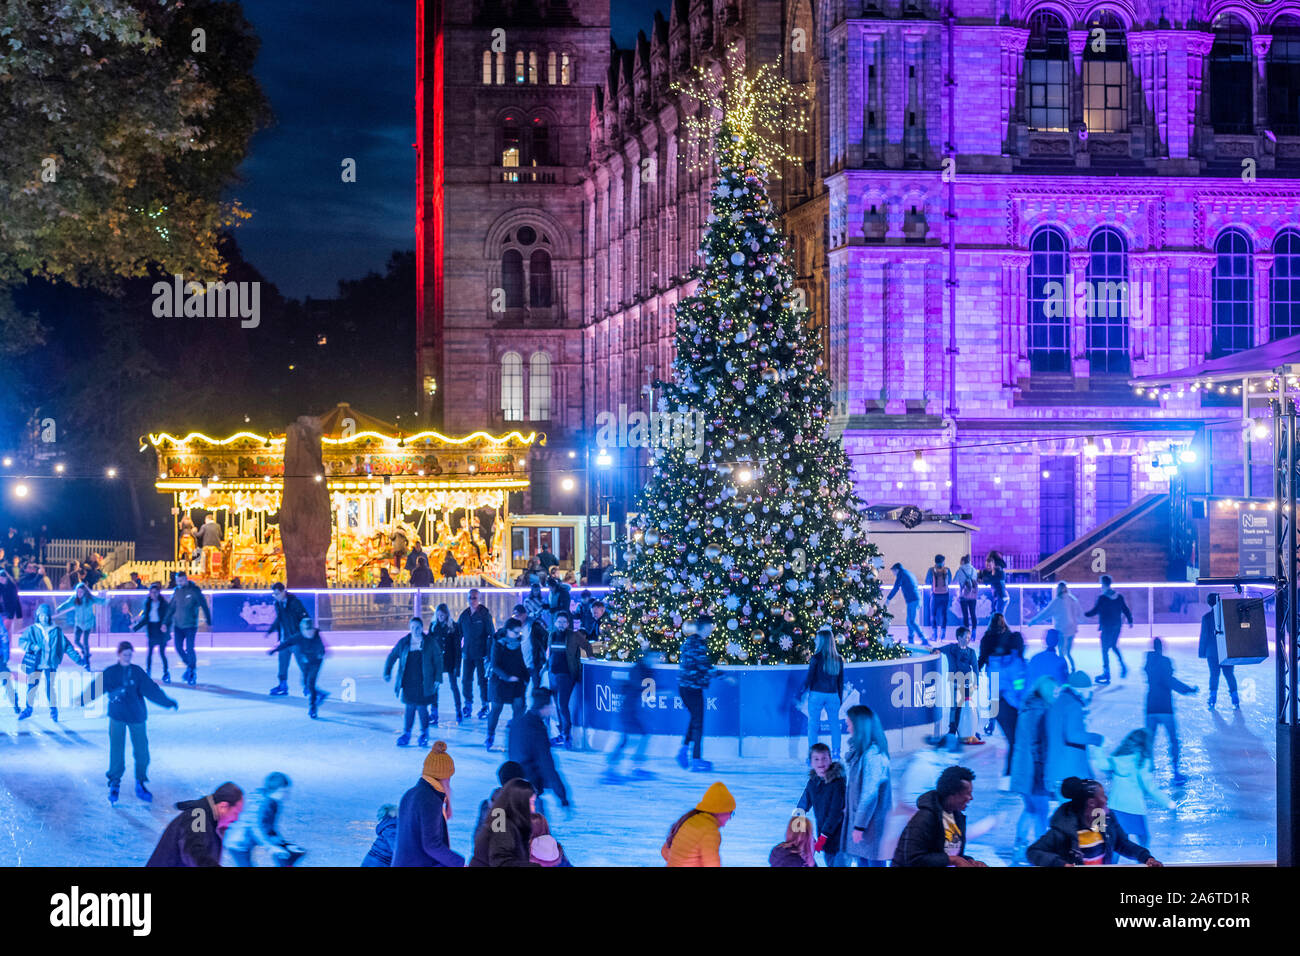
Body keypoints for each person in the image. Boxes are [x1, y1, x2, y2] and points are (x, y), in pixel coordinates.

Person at [97, 641, 178, 804]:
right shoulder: (111, 672)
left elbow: (151, 690)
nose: (127, 657)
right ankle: (114, 782)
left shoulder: (137, 672)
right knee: (116, 750)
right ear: (119, 654)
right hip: (117, 716)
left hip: (136, 716)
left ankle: (140, 781)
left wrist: (167, 702)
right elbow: (96, 687)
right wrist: (81, 699)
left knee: (142, 751)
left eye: (129, 655)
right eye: (125, 654)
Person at [1027, 776, 1162, 867]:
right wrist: (1061, 864)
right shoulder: (1064, 828)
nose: (1106, 798)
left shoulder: (1101, 819)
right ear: (1091, 803)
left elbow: (1122, 843)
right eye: (1102, 795)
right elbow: (1033, 851)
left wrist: (1146, 858)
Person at [892, 764, 986, 867]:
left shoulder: (957, 817)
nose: (970, 798)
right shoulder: (924, 818)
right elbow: (914, 859)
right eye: (967, 793)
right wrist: (955, 860)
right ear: (952, 794)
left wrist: (970, 861)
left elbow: (948, 854)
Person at [392, 741, 464, 867]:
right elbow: (432, 845)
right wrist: (459, 863)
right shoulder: (430, 801)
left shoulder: (411, 794)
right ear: (444, 776)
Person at [1009, 675, 1056, 863]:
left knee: (1030, 809)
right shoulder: (1040, 712)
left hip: (1021, 769)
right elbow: (1039, 745)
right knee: (1041, 811)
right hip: (1034, 771)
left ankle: (1018, 848)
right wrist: (1046, 769)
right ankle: (1040, 851)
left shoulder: (1026, 708)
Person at [146, 782, 244, 867]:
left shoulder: (212, 819)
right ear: (223, 806)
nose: (236, 819)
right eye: (235, 813)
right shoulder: (198, 816)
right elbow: (193, 850)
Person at [1105, 729, 1174, 848]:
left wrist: (1098, 748)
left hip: (1114, 806)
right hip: (1133, 808)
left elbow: (1101, 764)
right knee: (1144, 840)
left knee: (1117, 842)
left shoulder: (1116, 758)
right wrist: (1168, 802)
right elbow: (1150, 787)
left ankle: (1109, 865)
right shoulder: (1141, 763)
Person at [18, 603, 87, 721]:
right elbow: (21, 641)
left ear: (49, 617)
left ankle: (53, 710)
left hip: (50, 663)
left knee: (50, 687)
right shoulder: (32, 629)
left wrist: (79, 660)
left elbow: (68, 647)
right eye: (41, 615)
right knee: (32, 686)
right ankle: (28, 709)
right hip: (36, 663)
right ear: (38, 616)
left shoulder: (56, 631)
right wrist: (32, 646)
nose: (44, 618)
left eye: (46, 615)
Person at [842, 703, 893, 866]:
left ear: (859, 726)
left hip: (871, 829)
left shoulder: (873, 756)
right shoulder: (862, 753)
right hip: (866, 828)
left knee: (873, 862)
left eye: (849, 724)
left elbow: (869, 794)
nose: (848, 728)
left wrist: (859, 826)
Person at [1144, 637, 1197, 786]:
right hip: (1164, 707)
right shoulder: (1165, 662)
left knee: (1149, 741)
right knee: (1173, 739)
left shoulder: (1148, 662)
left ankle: (1147, 771)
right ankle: (1175, 772)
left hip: (1150, 706)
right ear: (1161, 647)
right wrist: (1188, 690)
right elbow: (1169, 681)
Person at [224, 772, 305, 867]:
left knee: (287, 854)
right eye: (285, 792)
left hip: (246, 839)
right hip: (238, 842)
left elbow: (269, 830)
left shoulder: (273, 802)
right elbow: (257, 829)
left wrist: (285, 844)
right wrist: (272, 847)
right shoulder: (262, 805)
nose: (287, 796)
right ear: (277, 791)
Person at [507, 687, 571, 807]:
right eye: (551, 705)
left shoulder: (518, 722)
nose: (553, 708)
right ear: (544, 706)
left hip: (514, 786)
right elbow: (546, 763)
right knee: (536, 823)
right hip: (530, 792)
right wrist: (562, 795)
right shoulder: (536, 729)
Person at [384, 616, 442, 747]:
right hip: (408, 681)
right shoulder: (404, 642)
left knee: (422, 708)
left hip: (424, 681)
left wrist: (438, 678)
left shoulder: (430, 642)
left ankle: (424, 734)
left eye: (418, 627)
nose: (415, 630)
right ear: (410, 628)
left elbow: (438, 660)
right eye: (413, 628)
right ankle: (407, 734)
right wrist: (387, 671)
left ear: (422, 628)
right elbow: (392, 656)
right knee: (409, 708)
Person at [1046, 670, 1104, 796]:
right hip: (1071, 771)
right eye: (1089, 689)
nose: (1090, 693)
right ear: (1082, 689)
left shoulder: (1059, 702)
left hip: (1058, 768)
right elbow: (1074, 735)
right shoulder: (1074, 705)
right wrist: (1098, 739)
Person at [677, 615, 723, 771]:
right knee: (698, 723)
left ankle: (683, 751)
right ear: (705, 627)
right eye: (711, 627)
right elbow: (704, 666)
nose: (712, 630)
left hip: (686, 687)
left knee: (695, 720)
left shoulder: (691, 641)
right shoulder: (697, 643)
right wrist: (723, 676)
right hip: (692, 688)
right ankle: (696, 759)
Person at [605, 648, 657, 781]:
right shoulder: (638, 669)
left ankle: (632, 767)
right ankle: (612, 768)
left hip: (633, 710)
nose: (656, 660)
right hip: (628, 710)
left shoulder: (647, 669)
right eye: (654, 657)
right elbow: (640, 686)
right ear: (647, 657)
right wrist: (662, 691)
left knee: (639, 737)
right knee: (627, 739)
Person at [661, 781, 735, 867]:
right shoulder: (709, 831)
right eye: (730, 812)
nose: (730, 818)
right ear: (720, 811)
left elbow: (665, 851)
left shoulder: (690, 820)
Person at [795, 743, 847, 866]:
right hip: (826, 839)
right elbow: (802, 805)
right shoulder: (813, 782)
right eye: (816, 759)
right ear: (811, 762)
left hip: (841, 838)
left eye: (824, 758)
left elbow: (836, 812)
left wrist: (823, 836)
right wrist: (802, 831)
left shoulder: (837, 783)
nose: (821, 762)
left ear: (830, 759)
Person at [268, 618, 329, 719]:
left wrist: (320, 653)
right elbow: (287, 643)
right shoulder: (299, 637)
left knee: (310, 684)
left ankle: (313, 708)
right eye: (306, 631)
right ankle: (321, 694)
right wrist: (275, 650)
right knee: (305, 683)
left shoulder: (316, 636)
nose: (309, 633)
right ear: (302, 630)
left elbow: (321, 647)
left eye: (310, 631)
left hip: (315, 663)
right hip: (306, 662)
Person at [469, 777, 536, 867]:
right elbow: (501, 861)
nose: (533, 809)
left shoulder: (510, 823)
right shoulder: (502, 825)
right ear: (519, 802)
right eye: (531, 803)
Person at [547, 610, 590, 748]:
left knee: (562, 705)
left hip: (566, 675)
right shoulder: (552, 635)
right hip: (553, 674)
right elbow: (550, 653)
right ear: (555, 623)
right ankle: (562, 733)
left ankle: (566, 733)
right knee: (557, 706)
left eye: (564, 622)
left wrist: (591, 656)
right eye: (559, 622)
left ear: (568, 623)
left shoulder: (573, 635)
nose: (561, 624)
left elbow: (587, 646)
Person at [801, 625, 845, 757]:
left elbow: (810, 678)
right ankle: (836, 753)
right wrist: (840, 698)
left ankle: (812, 755)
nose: (816, 641)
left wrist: (803, 691)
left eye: (817, 639)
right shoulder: (838, 659)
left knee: (813, 726)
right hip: (833, 695)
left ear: (822, 641)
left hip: (817, 694)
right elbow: (840, 682)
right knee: (835, 725)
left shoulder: (816, 658)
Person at [486, 618, 529, 750]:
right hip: (500, 681)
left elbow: (522, 663)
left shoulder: (519, 644)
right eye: (515, 632)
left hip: (516, 681)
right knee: (496, 709)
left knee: (519, 707)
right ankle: (490, 735)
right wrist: (507, 677)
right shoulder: (498, 643)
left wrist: (526, 678)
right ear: (508, 630)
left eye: (519, 633)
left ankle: (516, 736)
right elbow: (495, 665)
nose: (518, 635)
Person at [162, 570, 210, 686]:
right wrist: (164, 622)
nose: (180, 583)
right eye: (178, 581)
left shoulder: (194, 591)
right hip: (178, 625)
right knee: (178, 648)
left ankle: (191, 671)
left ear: (186, 579)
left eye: (182, 580)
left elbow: (203, 604)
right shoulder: (176, 591)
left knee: (189, 648)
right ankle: (190, 666)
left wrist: (209, 620)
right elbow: (171, 608)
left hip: (190, 625)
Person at [1084, 574, 1133, 685]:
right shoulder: (1119, 596)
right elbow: (1125, 609)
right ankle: (1122, 665)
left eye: (1101, 583)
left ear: (1103, 584)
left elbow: (1094, 611)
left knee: (1105, 649)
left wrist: (1083, 615)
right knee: (1113, 646)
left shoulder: (1102, 598)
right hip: (1117, 626)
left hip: (1107, 627)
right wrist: (1130, 620)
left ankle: (1106, 673)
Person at [991, 631, 1028, 777]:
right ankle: (1010, 775)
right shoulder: (1016, 663)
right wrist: (1021, 705)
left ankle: (1011, 774)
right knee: (1015, 741)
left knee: (1013, 741)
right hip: (1009, 706)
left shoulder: (995, 662)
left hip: (997, 706)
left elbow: (992, 687)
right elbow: (1018, 687)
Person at [265, 582, 309, 697]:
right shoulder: (278, 604)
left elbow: (305, 618)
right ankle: (283, 685)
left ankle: (308, 685)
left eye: (277, 594)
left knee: (302, 663)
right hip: (284, 640)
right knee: (282, 664)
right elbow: (279, 619)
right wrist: (271, 630)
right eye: (274, 594)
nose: (276, 596)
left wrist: (303, 634)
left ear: (283, 591)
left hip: (296, 639)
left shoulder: (294, 602)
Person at [458, 588, 495, 719]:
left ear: (479, 599)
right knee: (466, 680)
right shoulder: (464, 615)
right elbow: (458, 634)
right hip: (467, 654)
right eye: (470, 598)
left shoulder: (485, 615)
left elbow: (491, 635)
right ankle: (468, 705)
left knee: (482, 681)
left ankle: (485, 705)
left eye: (475, 598)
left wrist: (489, 655)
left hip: (481, 654)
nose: (472, 600)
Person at [1029, 581, 1082, 672]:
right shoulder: (1072, 599)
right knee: (1068, 653)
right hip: (1072, 630)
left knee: (1061, 653)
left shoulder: (1057, 601)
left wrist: (1034, 620)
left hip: (1062, 631)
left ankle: (1063, 671)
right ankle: (1073, 669)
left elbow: (1046, 613)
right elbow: (1078, 613)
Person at [1199, 592, 1240, 711]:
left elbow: (1204, 635)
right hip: (1226, 651)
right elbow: (1233, 634)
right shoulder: (1227, 616)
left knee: (1214, 675)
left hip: (1212, 653)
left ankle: (1212, 698)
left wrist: (1202, 652)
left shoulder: (1206, 617)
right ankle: (1235, 698)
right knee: (1229, 675)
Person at [55, 583, 106, 670]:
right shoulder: (74, 599)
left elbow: (99, 600)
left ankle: (87, 662)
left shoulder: (89, 599)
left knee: (85, 643)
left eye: (81, 592)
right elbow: (67, 604)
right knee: (76, 641)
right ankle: (86, 652)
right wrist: (59, 608)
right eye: (78, 592)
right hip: (78, 624)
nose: (79, 594)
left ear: (84, 592)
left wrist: (108, 600)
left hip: (88, 624)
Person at [428, 603, 462, 724]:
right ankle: (434, 713)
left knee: (454, 686)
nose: (441, 616)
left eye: (443, 614)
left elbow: (458, 648)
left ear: (447, 614)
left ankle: (459, 711)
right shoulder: (433, 626)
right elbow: (428, 646)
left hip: (450, 661)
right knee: (435, 687)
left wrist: (457, 666)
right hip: (437, 663)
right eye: (439, 614)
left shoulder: (453, 627)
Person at [887, 561, 926, 645]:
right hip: (914, 599)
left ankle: (924, 639)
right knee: (909, 621)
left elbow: (896, 588)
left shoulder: (901, 574)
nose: (893, 573)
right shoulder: (908, 573)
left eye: (893, 571)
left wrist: (888, 599)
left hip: (913, 600)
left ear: (897, 569)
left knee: (912, 621)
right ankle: (911, 639)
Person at [925, 554, 952, 644]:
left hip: (935, 595)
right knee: (944, 614)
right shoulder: (947, 570)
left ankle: (934, 635)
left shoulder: (931, 570)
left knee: (933, 614)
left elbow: (927, 581)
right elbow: (950, 581)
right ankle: (943, 635)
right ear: (943, 561)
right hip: (945, 595)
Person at [953, 554, 979, 630]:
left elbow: (954, 581)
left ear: (963, 561)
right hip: (973, 595)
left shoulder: (960, 570)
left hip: (963, 595)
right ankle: (974, 632)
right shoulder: (974, 570)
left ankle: (967, 632)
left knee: (965, 615)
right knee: (973, 613)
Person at [981, 552, 1008, 617]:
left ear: (994, 563)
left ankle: (1001, 626)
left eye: (989, 565)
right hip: (999, 596)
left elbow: (991, 579)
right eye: (987, 565)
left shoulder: (998, 571)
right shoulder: (993, 571)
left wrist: (984, 580)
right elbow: (987, 578)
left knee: (999, 616)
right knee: (996, 615)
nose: (988, 567)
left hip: (1001, 596)